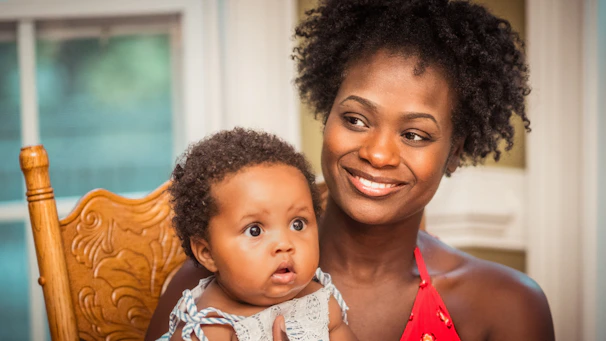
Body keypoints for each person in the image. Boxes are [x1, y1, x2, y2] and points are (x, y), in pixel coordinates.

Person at [146, 0, 555, 340]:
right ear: (327, 116)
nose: (378, 154)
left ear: (454, 153)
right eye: (357, 120)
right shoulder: (214, 285)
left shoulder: (506, 307)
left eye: (414, 134)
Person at [159, 128, 357, 341]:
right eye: (255, 230)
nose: (284, 243)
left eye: (298, 224)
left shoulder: (320, 303)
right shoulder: (207, 328)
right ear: (207, 252)